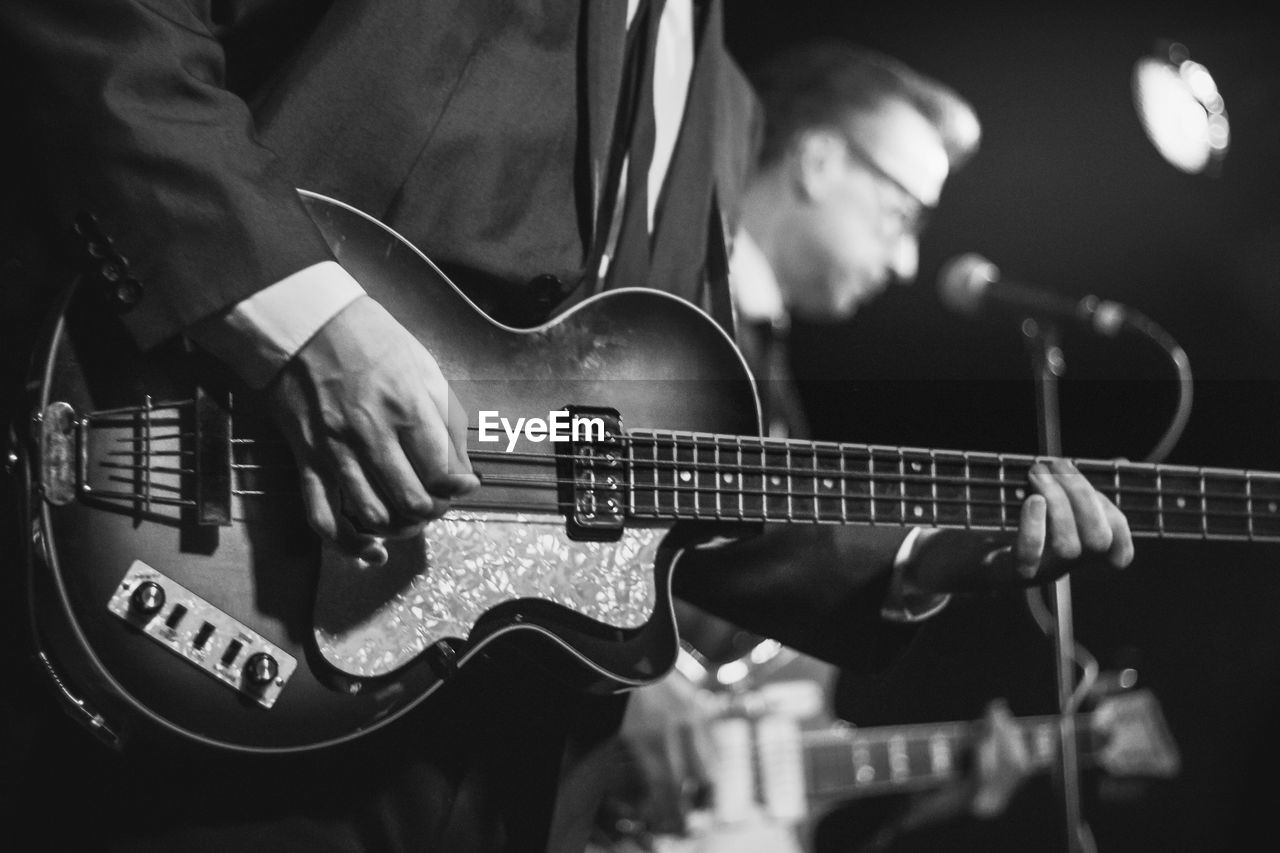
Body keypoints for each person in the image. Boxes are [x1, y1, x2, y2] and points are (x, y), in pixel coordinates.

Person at [0, 6, 1131, 853]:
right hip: (241, 622)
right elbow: (109, 35)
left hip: (519, 777)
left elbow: (649, 468)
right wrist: (303, 327)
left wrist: (914, 557)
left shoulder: (714, 87)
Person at [590, 41, 1061, 852]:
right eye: (904, 213)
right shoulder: (656, 309)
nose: (910, 259)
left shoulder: (778, 393)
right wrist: (618, 683)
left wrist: (914, 795)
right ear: (815, 160)